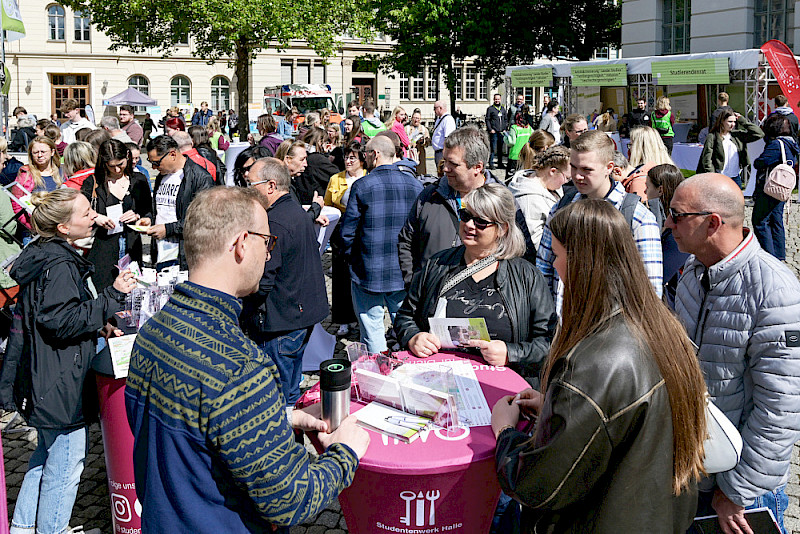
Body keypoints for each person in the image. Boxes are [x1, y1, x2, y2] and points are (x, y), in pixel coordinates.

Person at [125, 186, 368, 532]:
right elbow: (290, 500)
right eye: (267, 242)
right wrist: (346, 453)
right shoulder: (239, 366)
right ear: (242, 243)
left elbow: (189, 433)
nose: (268, 254)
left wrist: (277, 418)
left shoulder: (153, 331)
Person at [493, 198, 706, 533]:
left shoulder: (592, 362)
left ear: (581, 263)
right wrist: (555, 409)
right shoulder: (661, 326)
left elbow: (537, 483)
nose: (555, 266)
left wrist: (505, 432)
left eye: (558, 255)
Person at [667, 173, 800, 534]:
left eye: (677, 215)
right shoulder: (694, 271)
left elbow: (781, 409)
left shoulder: (775, 291)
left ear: (712, 223)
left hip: (742, 495)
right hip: (698, 474)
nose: (668, 224)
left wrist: (737, 490)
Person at [0, 188, 136, 534]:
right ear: (63, 227)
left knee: (45, 455)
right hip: (60, 377)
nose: (93, 217)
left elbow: (56, 314)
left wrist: (99, 321)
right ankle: (52, 529)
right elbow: (61, 322)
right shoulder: (59, 264)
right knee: (66, 461)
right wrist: (113, 295)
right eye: (86, 213)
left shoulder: (44, 252)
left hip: (45, 372)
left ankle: (23, 527)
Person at [395, 183, 555, 381]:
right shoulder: (437, 264)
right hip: (439, 379)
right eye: (465, 216)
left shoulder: (527, 276)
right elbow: (405, 316)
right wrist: (413, 337)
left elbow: (548, 342)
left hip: (503, 387)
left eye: (480, 221)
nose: (469, 225)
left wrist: (511, 354)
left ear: (502, 229)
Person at [537, 131, 663, 312]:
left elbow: (650, 290)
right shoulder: (561, 208)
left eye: (587, 170)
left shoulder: (637, 217)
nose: (577, 176)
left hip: (612, 324)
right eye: (574, 167)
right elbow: (544, 266)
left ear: (609, 167)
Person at [398, 126, 535, 286]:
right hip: (431, 295)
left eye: (453, 164)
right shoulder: (430, 195)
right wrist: (414, 284)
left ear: (477, 167)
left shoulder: (503, 201)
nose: (445, 168)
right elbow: (406, 241)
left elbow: (523, 252)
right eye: (445, 160)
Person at [241, 159, 329, 404]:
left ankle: (288, 427)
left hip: (281, 321)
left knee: (277, 396)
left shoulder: (275, 222)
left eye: (251, 185)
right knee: (290, 387)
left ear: (271, 186)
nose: (248, 191)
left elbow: (263, 280)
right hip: (298, 315)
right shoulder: (292, 211)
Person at [341, 135, 423, 353]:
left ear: (375, 155)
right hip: (402, 270)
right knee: (406, 326)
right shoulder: (415, 185)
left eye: (366, 154)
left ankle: (377, 369)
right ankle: (406, 364)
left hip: (368, 269)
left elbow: (348, 232)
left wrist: (352, 258)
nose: (364, 158)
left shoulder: (362, 185)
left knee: (372, 329)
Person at [81, 139, 152, 290]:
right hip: (102, 249)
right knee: (104, 291)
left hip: (132, 247)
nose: (117, 170)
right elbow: (80, 210)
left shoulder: (138, 180)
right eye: (111, 166)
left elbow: (148, 211)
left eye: (120, 164)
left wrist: (139, 217)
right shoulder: (93, 182)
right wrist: (96, 217)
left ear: (127, 157)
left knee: (132, 291)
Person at [145, 135, 214, 271]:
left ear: (172, 154)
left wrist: (168, 229)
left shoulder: (200, 177)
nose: (153, 167)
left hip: (185, 254)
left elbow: (203, 220)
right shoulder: (161, 176)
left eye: (157, 163)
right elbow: (159, 209)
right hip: (161, 250)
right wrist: (149, 219)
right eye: (151, 162)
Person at [325, 142, 366, 336]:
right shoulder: (335, 179)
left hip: (362, 231)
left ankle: (360, 317)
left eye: (352, 158)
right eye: (346, 157)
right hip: (341, 231)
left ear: (361, 160)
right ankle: (343, 319)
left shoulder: (368, 177)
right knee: (340, 277)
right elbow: (328, 205)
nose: (348, 161)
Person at [751, 113, 799, 261]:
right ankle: (779, 254)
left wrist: (757, 160)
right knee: (776, 220)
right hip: (782, 188)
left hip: (771, 188)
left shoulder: (776, 144)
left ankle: (769, 256)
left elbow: (761, 162)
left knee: (760, 221)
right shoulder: (791, 142)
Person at [508, 146, 570, 249]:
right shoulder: (529, 200)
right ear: (553, 171)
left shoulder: (551, 186)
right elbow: (536, 244)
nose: (566, 182)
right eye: (567, 178)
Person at [643, 163, 686, 307]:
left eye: (648, 187)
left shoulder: (676, 231)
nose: (645, 191)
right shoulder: (675, 223)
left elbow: (660, 274)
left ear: (660, 190)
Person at [697, 108, 764, 187]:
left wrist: (742, 120)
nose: (733, 124)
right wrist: (712, 175)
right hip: (719, 176)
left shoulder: (737, 135)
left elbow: (759, 133)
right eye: (730, 121)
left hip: (735, 176)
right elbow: (707, 158)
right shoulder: (712, 136)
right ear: (722, 121)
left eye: (734, 122)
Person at [12, 137, 62, 229]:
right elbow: (16, 203)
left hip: (59, 226)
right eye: (35, 152)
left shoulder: (62, 173)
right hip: (33, 228)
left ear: (52, 152)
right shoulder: (25, 174)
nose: (39, 155)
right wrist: (29, 225)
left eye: (43, 152)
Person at [624, 125, 675, 201]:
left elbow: (637, 207)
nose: (629, 149)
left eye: (630, 145)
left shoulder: (640, 179)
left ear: (638, 148)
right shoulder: (670, 171)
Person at [297, 128, 340, 204]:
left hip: (301, 198)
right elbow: (337, 175)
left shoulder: (300, 154)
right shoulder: (317, 159)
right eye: (326, 142)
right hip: (315, 200)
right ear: (320, 142)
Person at [507, 106, 534, 176]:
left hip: (515, 155)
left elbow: (511, 142)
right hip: (525, 155)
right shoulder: (529, 128)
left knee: (511, 176)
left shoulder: (514, 128)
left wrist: (505, 138)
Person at [431, 100, 457, 168]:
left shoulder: (447, 119)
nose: (434, 110)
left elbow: (448, 138)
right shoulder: (439, 119)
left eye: (435, 108)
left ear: (440, 108)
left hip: (443, 151)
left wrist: (445, 152)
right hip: (438, 151)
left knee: (443, 170)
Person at [486, 94, 508, 170]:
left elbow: (505, 119)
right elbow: (487, 119)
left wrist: (505, 128)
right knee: (493, 148)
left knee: (500, 149)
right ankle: (491, 163)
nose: (497, 100)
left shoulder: (503, 109)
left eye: (498, 99)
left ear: (500, 99)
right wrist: (490, 129)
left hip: (501, 132)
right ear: (493, 99)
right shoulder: (490, 109)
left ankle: (500, 163)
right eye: (496, 99)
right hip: (494, 132)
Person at [405, 109, 431, 173]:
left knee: (420, 173)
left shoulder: (424, 129)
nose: (416, 120)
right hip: (409, 155)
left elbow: (428, 142)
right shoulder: (406, 128)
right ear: (412, 118)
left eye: (418, 118)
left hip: (420, 155)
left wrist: (423, 141)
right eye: (415, 118)